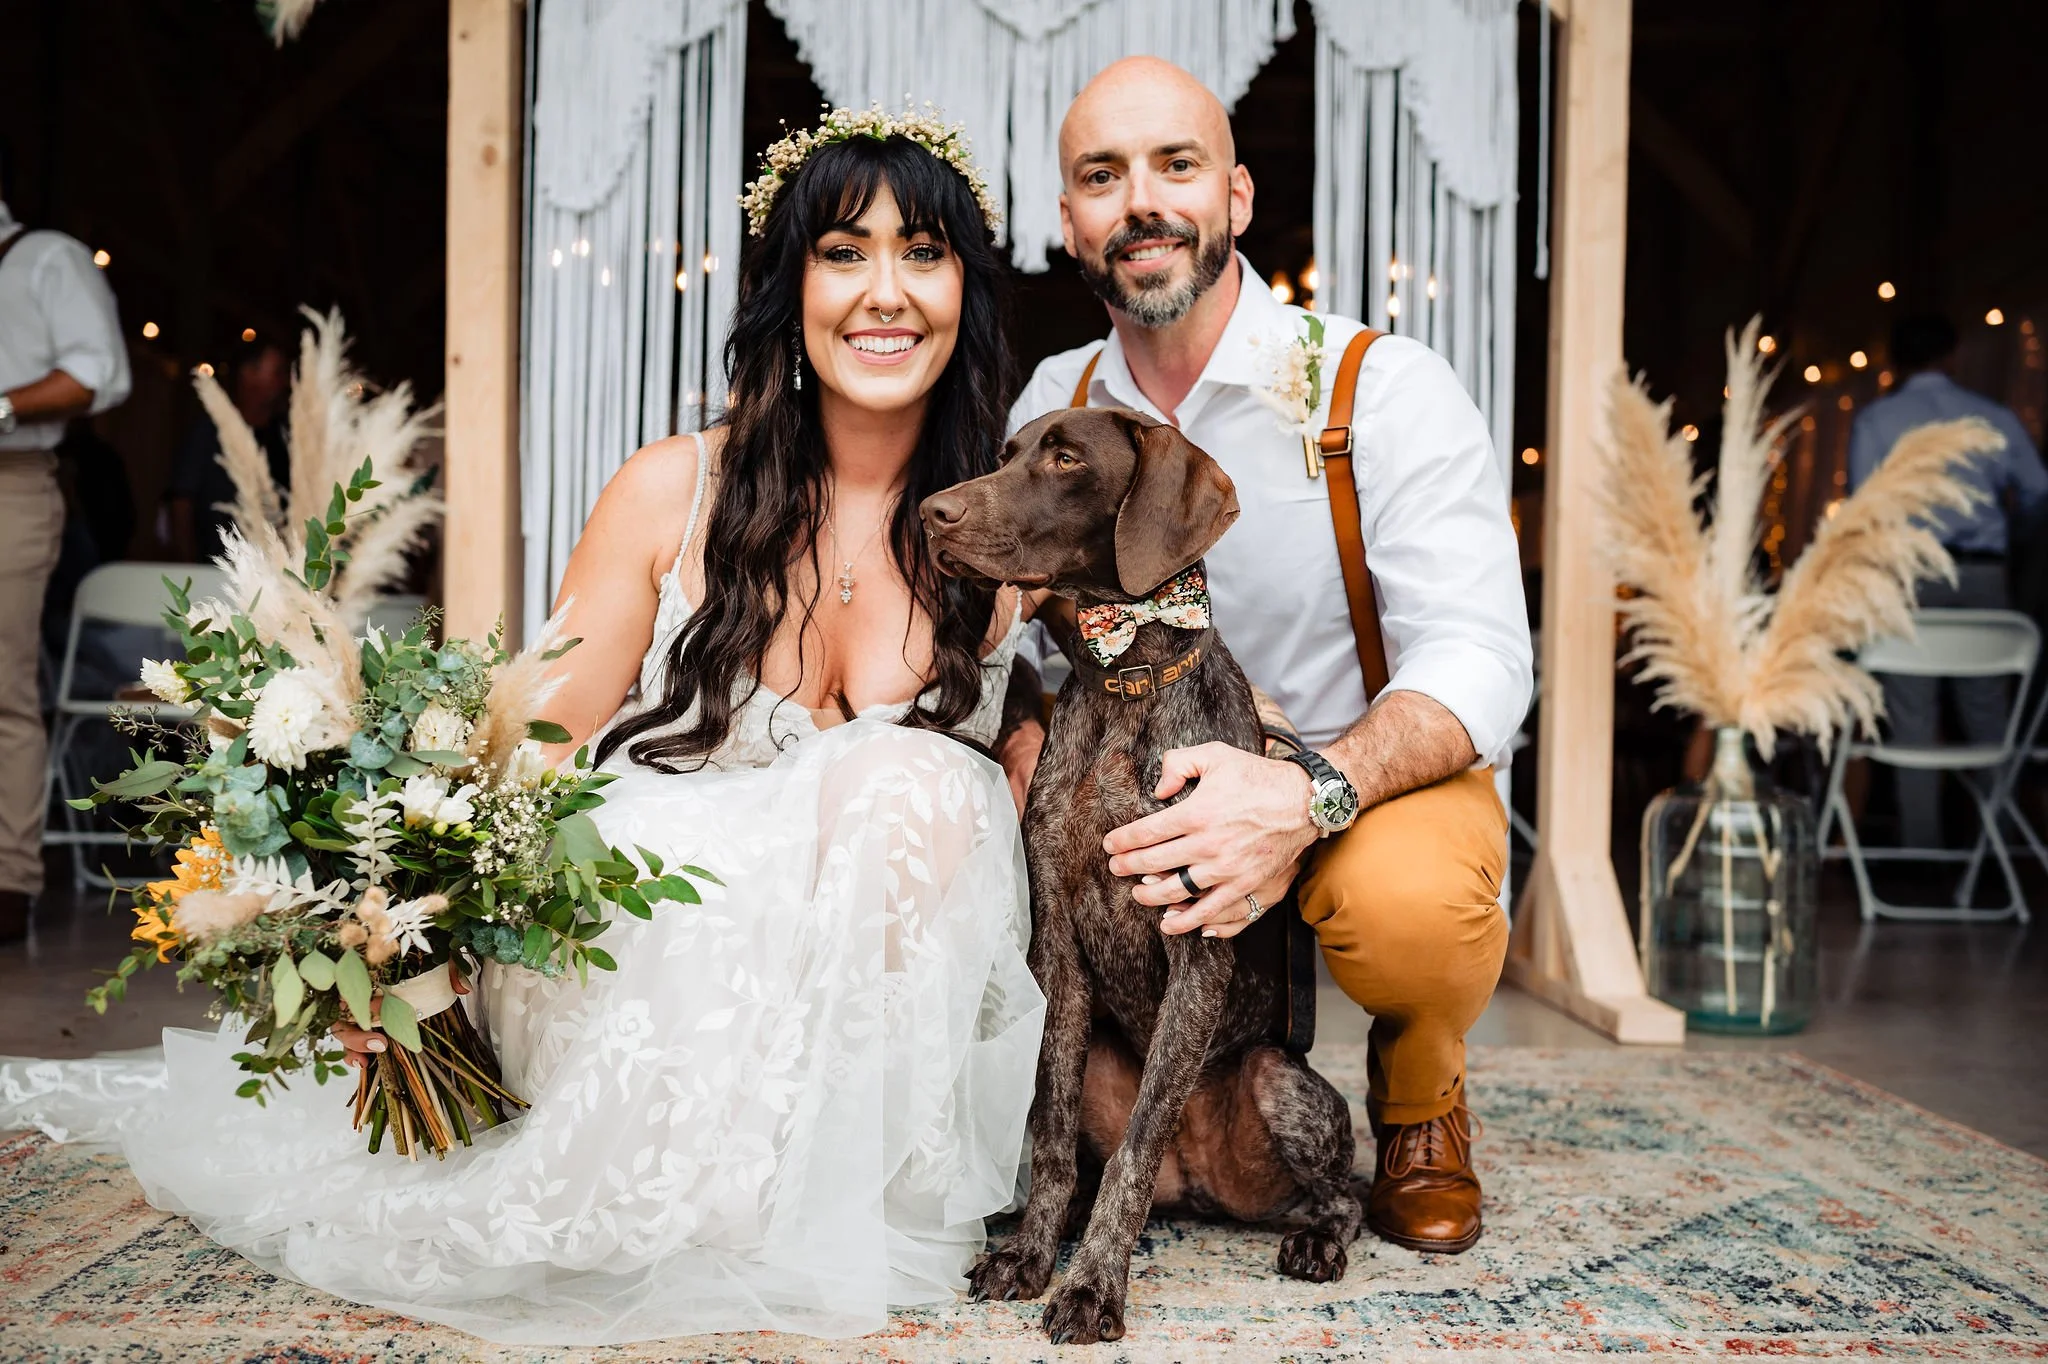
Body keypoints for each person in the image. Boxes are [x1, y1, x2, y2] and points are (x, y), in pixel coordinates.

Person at [1, 118, 1046, 1344]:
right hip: (658, 932)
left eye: (921, 254)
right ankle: (682, 1182)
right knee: (746, 841)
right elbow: (532, 743)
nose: (883, 293)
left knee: (913, 784)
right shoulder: (675, 488)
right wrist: (400, 924)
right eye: (841, 251)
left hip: (868, 996)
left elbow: (1117, 706)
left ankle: (826, 1185)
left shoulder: (1023, 527)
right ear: (787, 288)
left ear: (965, 288)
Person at [1003, 58, 1532, 1255]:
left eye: (1174, 165)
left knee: (1409, 909)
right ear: (1068, 222)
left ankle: (1418, 1093)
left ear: (1235, 198)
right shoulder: (1051, 402)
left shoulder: (1377, 388)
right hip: (1133, 804)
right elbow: (1012, 626)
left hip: (1348, 783)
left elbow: (1483, 652)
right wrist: (1025, 726)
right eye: (1102, 176)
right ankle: (1087, 1118)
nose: (1139, 202)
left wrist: (1303, 790)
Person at [1850, 313, 2048, 849]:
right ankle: (1995, 850)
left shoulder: (1876, 421)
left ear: (1893, 360)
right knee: (1990, 717)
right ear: (1953, 355)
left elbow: (1862, 511)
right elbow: (2037, 493)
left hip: (1911, 574)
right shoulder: (1992, 417)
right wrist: (2009, 535)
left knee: (1912, 718)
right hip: (1983, 575)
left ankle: (1921, 852)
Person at [0, 195, 132, 942]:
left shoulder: (44, 257)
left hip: (10, 478)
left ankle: (9, 879)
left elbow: (97, 372)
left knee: (3, 680)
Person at [166, 338, 291, 562]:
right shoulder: (210, 432)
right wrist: (185, 563)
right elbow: (181, 501)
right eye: (278, 372)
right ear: (248, 373)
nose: (285, 382)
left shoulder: (286, 437)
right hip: (214, 570)